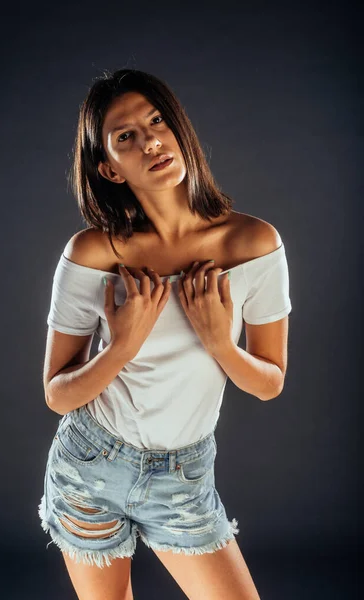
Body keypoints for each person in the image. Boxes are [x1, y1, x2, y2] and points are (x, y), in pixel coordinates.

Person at [38, 68, 292, 600]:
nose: (151, 140)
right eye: (126, 136)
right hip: (91, 467)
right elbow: (57, 395)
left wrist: (221, 342)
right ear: (108, 167)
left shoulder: (254, 243)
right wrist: (123, 346)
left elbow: (269, 383)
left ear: (178, 128)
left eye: (157, 121)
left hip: (184, 477)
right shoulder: (91, 253)